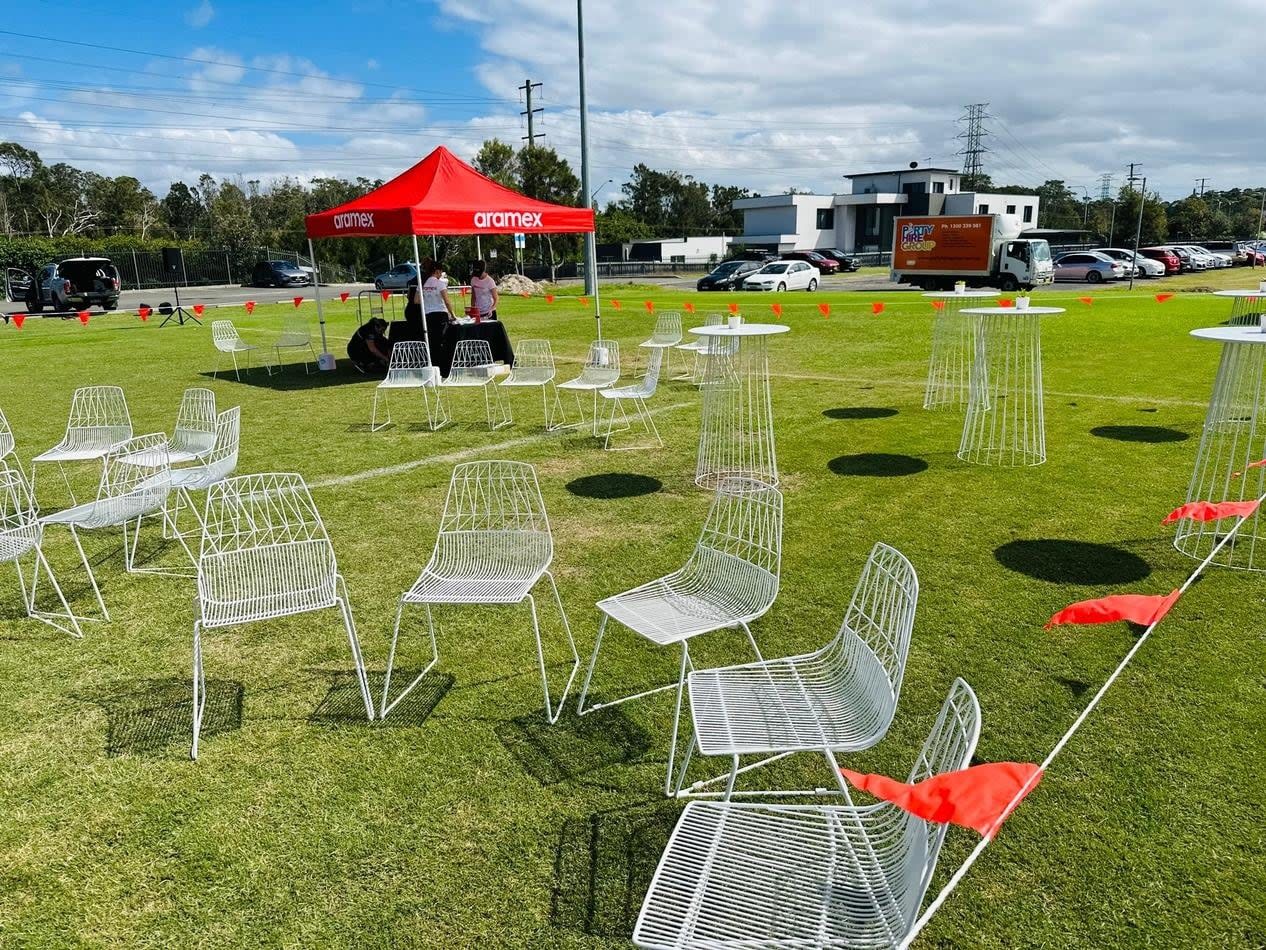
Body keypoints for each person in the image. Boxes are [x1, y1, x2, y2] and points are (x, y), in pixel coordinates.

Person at [422, 260, 457, 365]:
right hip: (440, 314)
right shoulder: (440, 284)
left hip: (428, 314)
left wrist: (428, 298)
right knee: (442, 340)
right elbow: (447, 301)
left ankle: (433, 363)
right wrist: (452, 314)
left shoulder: (423, 284)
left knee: (432, 340)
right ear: (437, 271)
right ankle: (443, 364)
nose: (441, 274)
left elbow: (416, 300)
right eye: (441, 272)